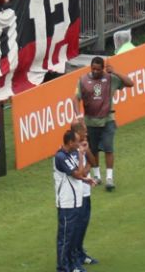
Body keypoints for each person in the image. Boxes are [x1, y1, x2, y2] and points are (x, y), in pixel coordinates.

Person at [76, 56, 124, 191]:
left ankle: (109, 178)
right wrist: (78, 116)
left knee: (109, 148)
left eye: (98, 69)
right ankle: (97, 176)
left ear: (103, 69)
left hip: (108, 120)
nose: (95, 71)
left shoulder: (110, 79)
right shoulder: (83, 80)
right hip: (90, 121)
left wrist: (114, 72)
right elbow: (76, 98)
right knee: (93, 149)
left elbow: (130, 83)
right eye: (93, 69)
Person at [52, 128, 94, 272]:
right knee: (65, 237)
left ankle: (71, 264)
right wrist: (82, 155)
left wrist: (87, 180)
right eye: (76, 141)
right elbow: (78, 173)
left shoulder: (68, 155)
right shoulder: (61, 157)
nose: (79, 144)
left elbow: (80, 175)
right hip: (66, 203)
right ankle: (63, 268)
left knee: (71, 235)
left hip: (75, 202)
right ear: (70, 142)